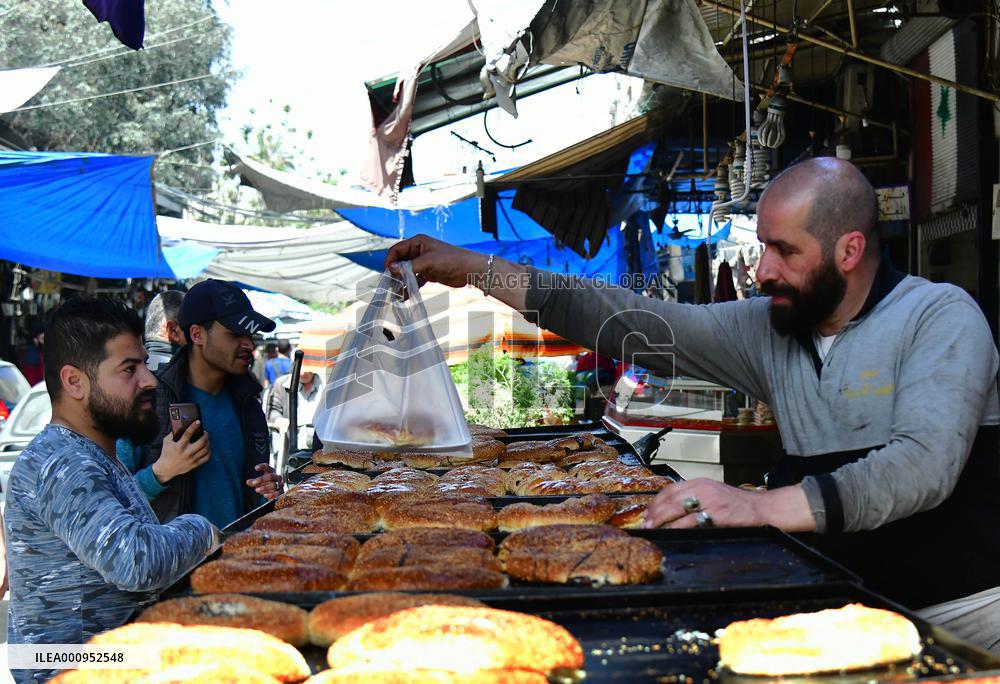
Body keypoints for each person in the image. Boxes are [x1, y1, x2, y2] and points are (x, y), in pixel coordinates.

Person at [384, 157, 1000, 650]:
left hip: (961, 615)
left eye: (785, 251)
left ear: (849, 250)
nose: (763, 271)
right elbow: (631, 323)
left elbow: (922, 467)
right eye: (762, 248)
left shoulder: (939, 316)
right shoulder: (773, 328)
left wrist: (758, 506)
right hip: (844, 610)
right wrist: (474, 268)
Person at [3, 298, 217, 683]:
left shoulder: (90, 455)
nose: (149, 380)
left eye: (145, 365)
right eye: (129, 369)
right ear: (74, 382)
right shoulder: (64, 462)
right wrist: (205, 530)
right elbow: (137, 561)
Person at [118, 279, 283, 528]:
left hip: (236, 559)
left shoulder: (248, 404)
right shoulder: (146, 400)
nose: (248, 344)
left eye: (249, 334)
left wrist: (269, 491)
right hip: (172, 564)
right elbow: (113, 503)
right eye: (235, 334)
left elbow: (249, 494)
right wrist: (161, 472)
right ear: (197, 334)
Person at [267, 370, 323, 452]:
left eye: (306, 366)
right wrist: (279, 419)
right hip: (289, 446)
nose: (303, 371)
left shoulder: (324, 384)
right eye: (301, 367)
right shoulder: (282, 383)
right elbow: (272, 409)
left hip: (317, 447)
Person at [144, 290, 186, 372]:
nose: (196, 335)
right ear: (173, 330)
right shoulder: (182, 376)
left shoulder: (130, 371)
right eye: (192, 326)